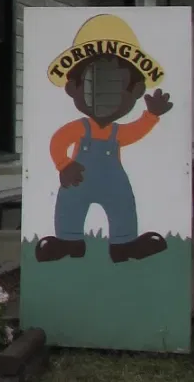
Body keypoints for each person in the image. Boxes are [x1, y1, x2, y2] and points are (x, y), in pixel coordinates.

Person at [35, 14, 171, 264]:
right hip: (78, 179)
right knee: (69, 205)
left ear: (136, 91)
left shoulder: (116, 132)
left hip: (113, 183)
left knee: (122, 205)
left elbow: (135, 131)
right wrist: (64, 165)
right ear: (74, 89)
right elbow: (58, 141)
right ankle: (68, 241)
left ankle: (124, 243)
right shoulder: (80, 127)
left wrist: (152, 115)